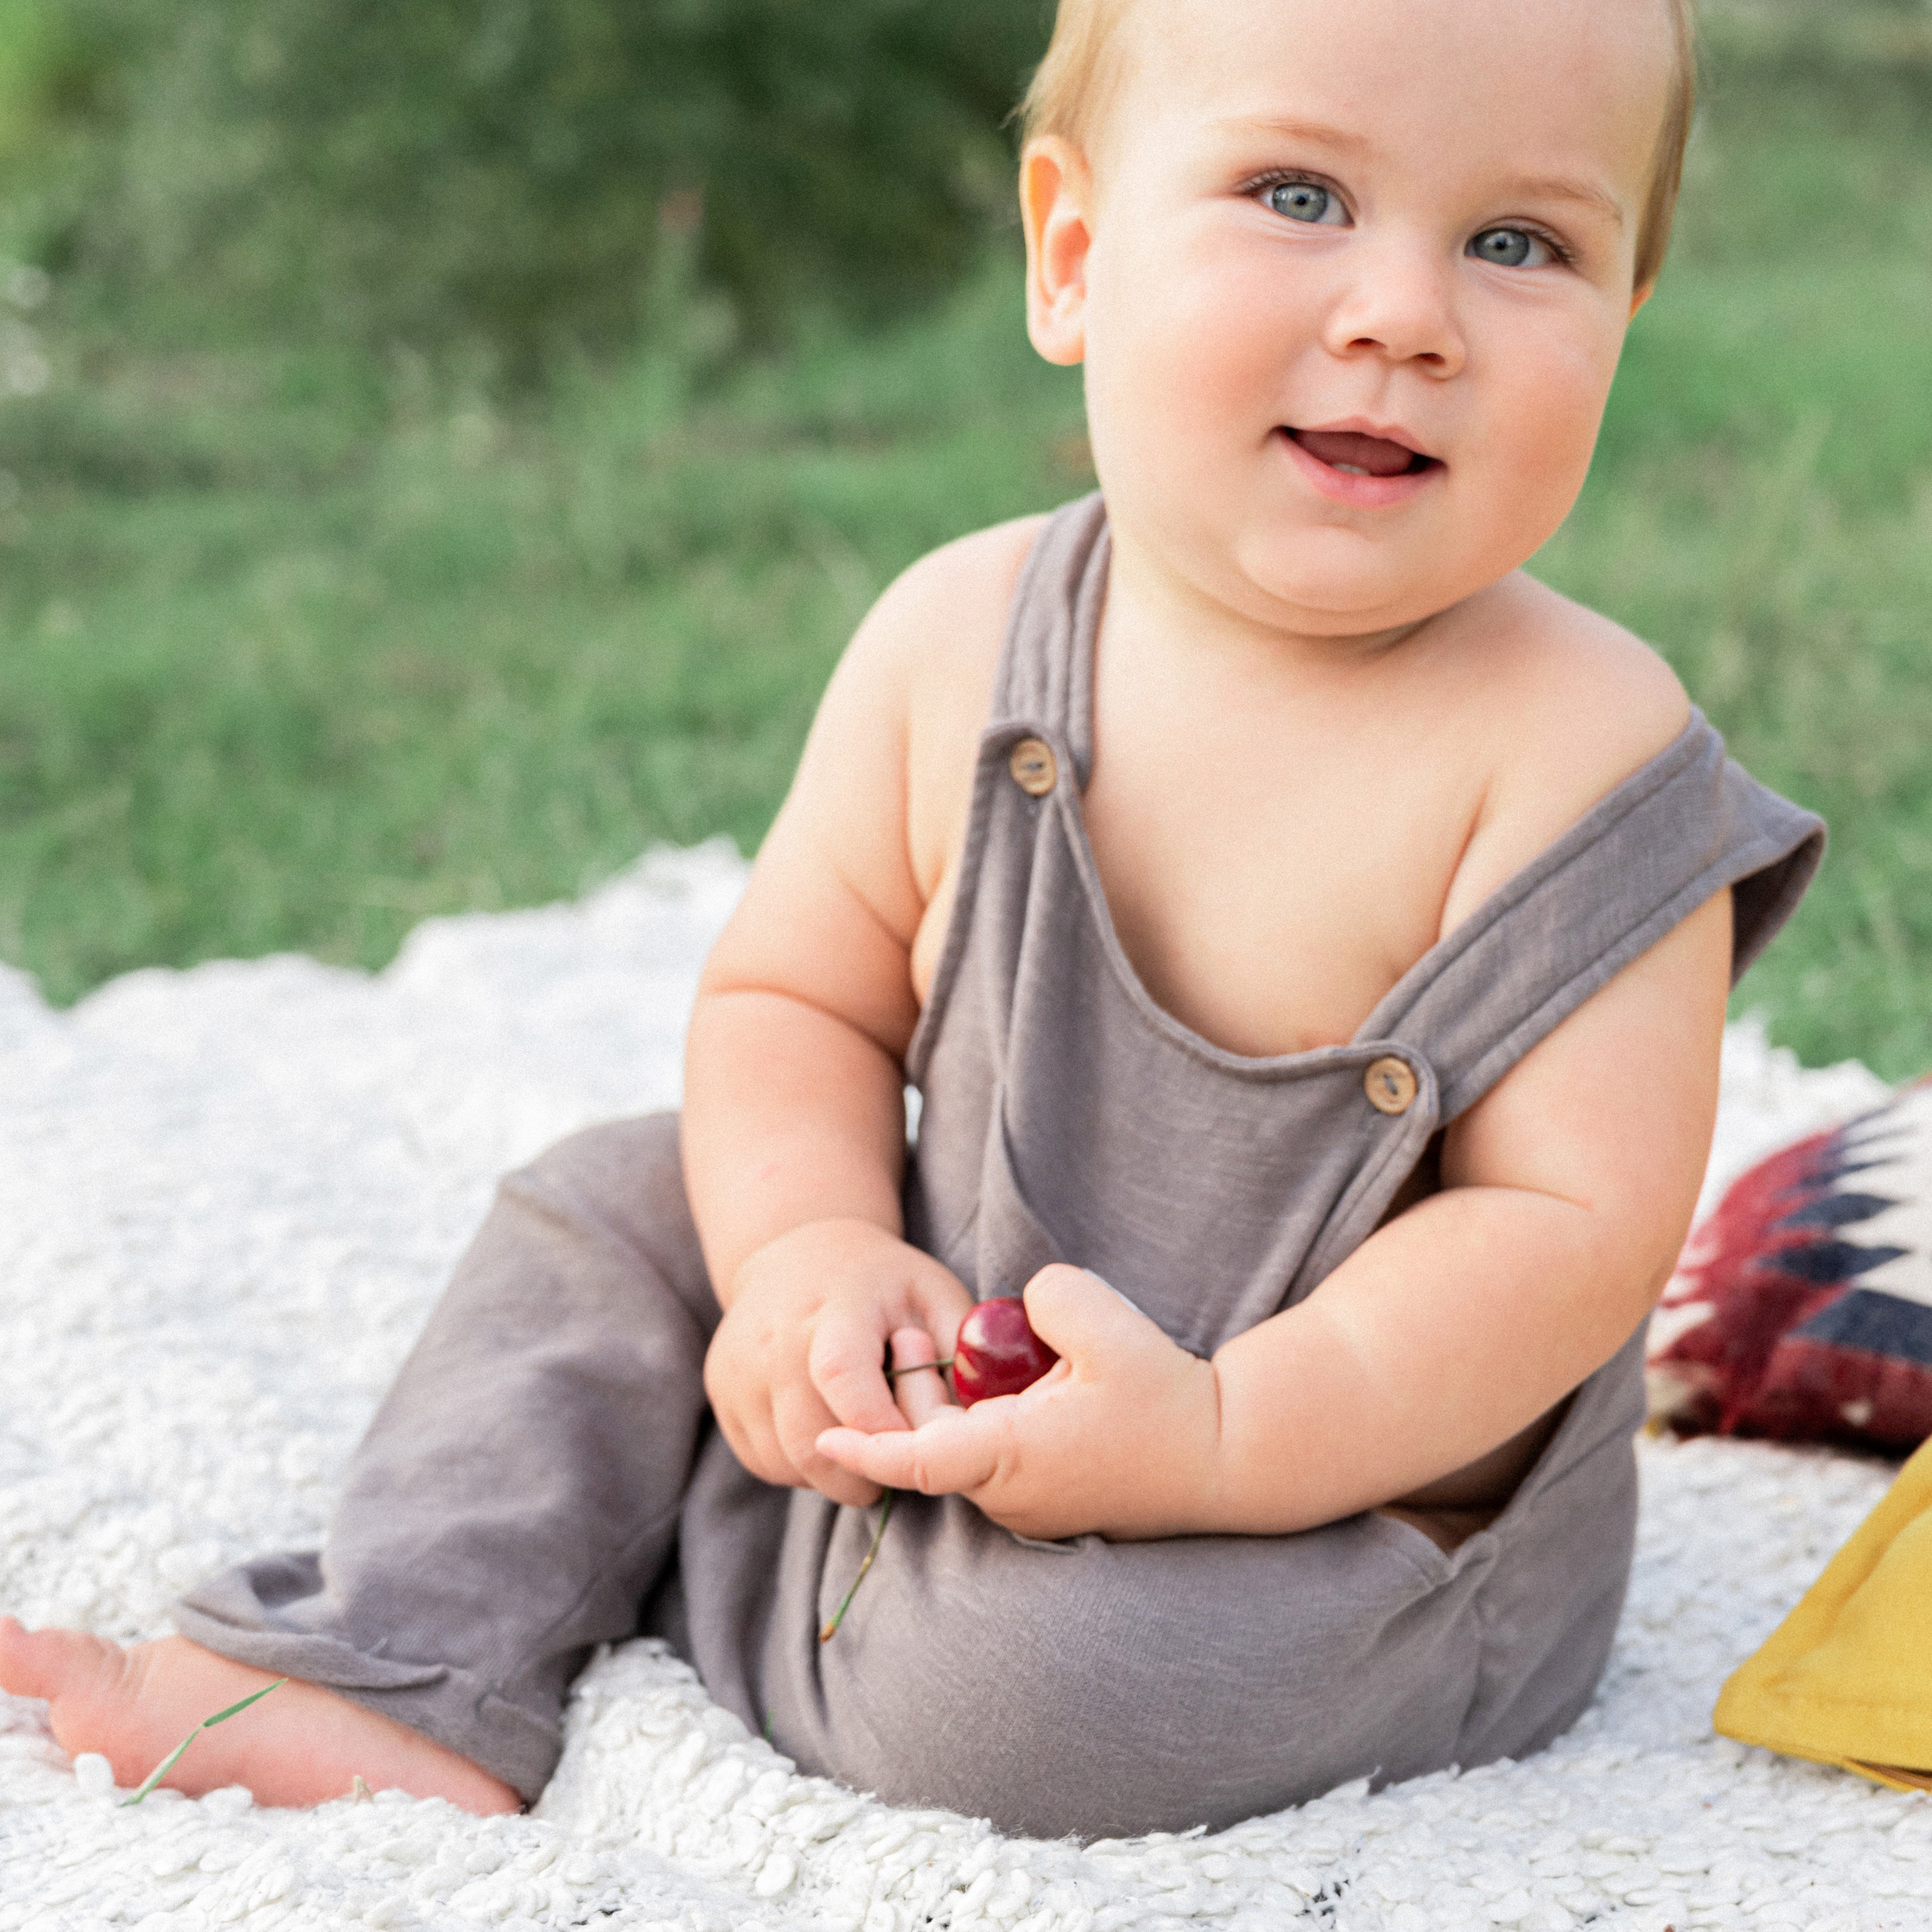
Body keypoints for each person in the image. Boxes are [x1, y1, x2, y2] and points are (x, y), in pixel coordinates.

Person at [1, 0, 1825, 1839]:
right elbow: (794, 999)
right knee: (609, 1203)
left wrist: (1210, 1437)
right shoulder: (958, 637)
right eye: (1295, 193)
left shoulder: (1587, 758)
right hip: (944, 1309)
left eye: (1519, 243)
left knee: (1044, 1698)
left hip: (1337, 1506)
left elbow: (1561, 1237)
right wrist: (804, 1258)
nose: (1400, 314)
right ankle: (408, 1661)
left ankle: (746, 1542)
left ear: (1622, 318)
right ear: (1073, 256)